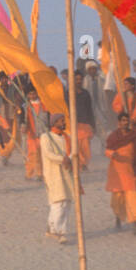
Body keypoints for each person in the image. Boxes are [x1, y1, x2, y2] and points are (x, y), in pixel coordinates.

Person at [40, 113, 73, 244]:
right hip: (52, 173)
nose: (63, 123)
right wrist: (62, 159)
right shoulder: (45, 137)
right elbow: (48, 154)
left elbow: (72, 152)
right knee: (58, 202)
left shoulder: (67, 137)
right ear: (54, 123)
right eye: (60, 121)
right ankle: (58, 231)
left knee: (67, 202)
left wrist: (69, 159)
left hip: (67, 172)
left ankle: (53, 227)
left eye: (64, 120)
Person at [105, 112, 136, 234]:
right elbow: (107, 150)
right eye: (123, 120)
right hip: (117, 171)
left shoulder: (134, 136)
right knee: (117, 197)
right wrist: (112, 154)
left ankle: (135, 223)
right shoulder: (113, 136)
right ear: (118, 122)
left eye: (127, 121)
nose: (125, 123)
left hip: (130, 169)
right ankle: (118, 217)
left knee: (133, 195)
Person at [74, 71, 97, 171]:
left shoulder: (85, 93)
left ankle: (84, 163)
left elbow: (90, 109)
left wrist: (93, 124)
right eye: (77, 79)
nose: (79, 81)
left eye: (80, 79)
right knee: (77, 145)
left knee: (86, 146)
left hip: (86, 124)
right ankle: (81, 164)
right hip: (75, 124)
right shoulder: (68, 93)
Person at [24, 88, 48, 181]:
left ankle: (40, 174)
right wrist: (23, 126)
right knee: (32, 154)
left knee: (42, 154)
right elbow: (23, 119)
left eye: (34, 93)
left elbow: (48, 118)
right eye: (30, 94)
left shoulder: (44, 105)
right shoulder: (26, 106)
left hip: (43, 133)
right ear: (28, 95)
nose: (32, 96)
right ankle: (30, 174)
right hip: (31, 134)